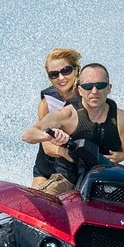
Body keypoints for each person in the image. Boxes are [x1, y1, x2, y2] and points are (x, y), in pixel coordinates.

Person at [22, 63, 124, 195]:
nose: (94, 91)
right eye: (88, 86)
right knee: (42, 197)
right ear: (80, 90)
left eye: (100, 85)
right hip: (67, 181)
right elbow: (27, 135)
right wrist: (49, 136)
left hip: (105, 184)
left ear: (109, 88)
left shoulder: (121, 118)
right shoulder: (66, 115)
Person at [31, 48, 82, 190]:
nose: (61, 78)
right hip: (48, 166)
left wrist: (119, 155)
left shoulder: (89, 95)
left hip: (77, 169)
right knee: (36, 199)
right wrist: (68, 154)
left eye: (66, 71)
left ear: (77, 70)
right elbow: (47, 147)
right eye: (54, 74)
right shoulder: (46, 104)